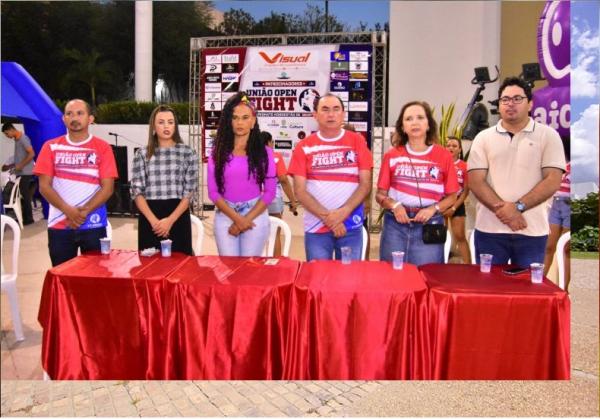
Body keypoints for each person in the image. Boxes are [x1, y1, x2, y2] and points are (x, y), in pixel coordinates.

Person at [467, 77, 566, 267]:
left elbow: (553, 179)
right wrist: (506, 212)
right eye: (505, 100)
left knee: (529, 290)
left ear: (530, 104)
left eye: (517, 99)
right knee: (489, 290)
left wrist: (518, 208)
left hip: (532, 231)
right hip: (490, 231)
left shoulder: (548, 135)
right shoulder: (483, 138)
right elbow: (476, 181)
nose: (510, 104)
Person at [288, 93, 373, 261]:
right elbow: (300, 191)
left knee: (349, 280)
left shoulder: (358, 141)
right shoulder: (304, 147)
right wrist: (329, 219)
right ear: (315, 115)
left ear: (343, 114)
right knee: (318, 280)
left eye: (336, 109)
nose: (331, 114)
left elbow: (365, 184)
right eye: (325, 109)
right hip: (316, 226)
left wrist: (344, 212)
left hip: (350, 225)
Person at [33, 99, 118, 266]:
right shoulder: (50, 147)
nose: (74, 117)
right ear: (63, 119)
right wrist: (68, 211)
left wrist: (83, 212)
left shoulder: (102, 148)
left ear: (90, 119)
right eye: (69, 113)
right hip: (59, 225)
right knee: (63, 280)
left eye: (80, 113)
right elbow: (44, 186)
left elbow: (107, 188)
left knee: (95, 279)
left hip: (94, 224)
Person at [376, 101, 458, 266]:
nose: (414, 122)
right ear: (402, 127)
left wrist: (433, 209)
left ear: (428, 125)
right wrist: (395, 205)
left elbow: (452, 196)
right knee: (392, 275)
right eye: (409, 119)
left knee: (427, 276)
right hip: (395, 225)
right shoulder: (391, 156)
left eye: (420, 117)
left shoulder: (443, 156)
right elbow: (380, 195)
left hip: (430, 223)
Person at [207, 92, 276, 256]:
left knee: (250, 271)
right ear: (229, 122)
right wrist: (237, 219)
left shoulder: (264, 153)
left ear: (253, 122)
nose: (240, 122)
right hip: (225, 215)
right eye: (235, 117)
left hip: (255, 214)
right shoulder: (217, 152)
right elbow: (213, 192)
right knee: (228, 270)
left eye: (245, 118)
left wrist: (246, 219)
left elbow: (270, 192)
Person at [130, 105, 198, 255]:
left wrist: (170, 221)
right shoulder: (142, 154)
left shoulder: (187, 153)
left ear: (175, 125)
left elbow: (190, 191)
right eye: (161, 122)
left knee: (180, 268)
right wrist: (155, 222)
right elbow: (136, 191)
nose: (166, 126)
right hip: (150, 217)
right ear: (153, 126)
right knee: (150, 269)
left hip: (178, 216)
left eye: (170, 122)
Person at [260, 130, 298, 257]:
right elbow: (283, 180)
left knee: (255, 234)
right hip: (273, 199)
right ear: (269, 142)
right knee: (275, 233)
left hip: (253, 200)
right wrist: (293, 201)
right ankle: (275, 264)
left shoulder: (249, 156)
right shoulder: (275, 157)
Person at [443, 136, 471, 264]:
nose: (451, 148)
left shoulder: (464, 166)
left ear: (460, 149)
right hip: (441, 204)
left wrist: (454, 207)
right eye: (448, 145)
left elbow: (466, 190)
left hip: (457, 204)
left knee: (460, 236)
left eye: (454, 146)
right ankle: (439, 264)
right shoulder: (440, 164)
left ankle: (469, 267)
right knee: (440, 236)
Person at [2, 123, 36, 225]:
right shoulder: (17, 140)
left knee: (24, 196)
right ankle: (23, 217)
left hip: (26, 172)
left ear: (11, 129)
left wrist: (21, 165)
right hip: (20, 172)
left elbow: (32, 153)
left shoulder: (23, 139)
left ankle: (28, 219)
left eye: (7, 134)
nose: (7, 136)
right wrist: (14, 165)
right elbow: (21, 156)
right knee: (21, 195)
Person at [543, 161, 570, 288]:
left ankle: (563, 288)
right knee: (548, 246)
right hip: (556, 201)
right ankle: (539, 281)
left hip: (570, 204)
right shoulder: (564, 161)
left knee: (566, 249)